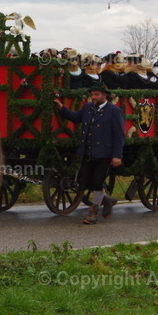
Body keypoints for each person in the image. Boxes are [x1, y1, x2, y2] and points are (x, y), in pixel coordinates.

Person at [53, 84, 126, 224]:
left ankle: (93, 213)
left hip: (105, 153)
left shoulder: (114, 111)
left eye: (96, 95)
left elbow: (119, 135)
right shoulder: (88, 108)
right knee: (86, 181)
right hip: (88, 152)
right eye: (92, 95)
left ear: (104, 95)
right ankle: (108, 200)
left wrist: (117, 155)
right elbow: (74, 117)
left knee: (97, 183)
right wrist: (61, 107)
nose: (93, 97)